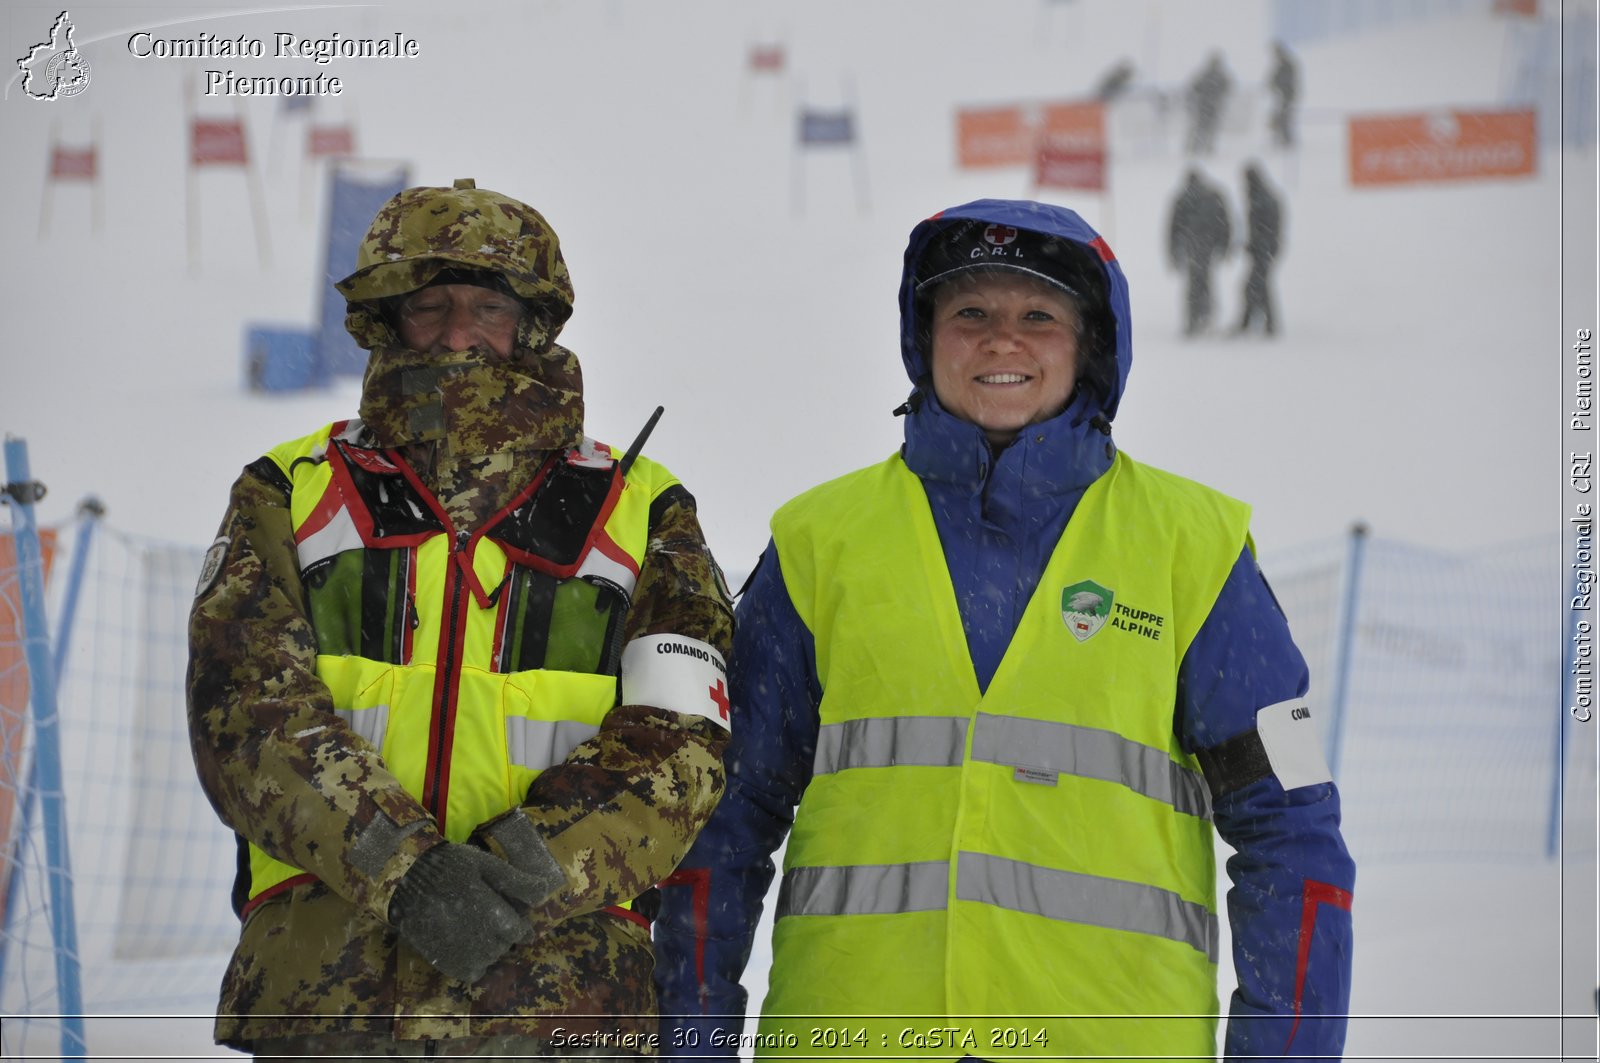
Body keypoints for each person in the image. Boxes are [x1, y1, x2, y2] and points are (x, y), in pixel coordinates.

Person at [653, 199, 1355, 1061]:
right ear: (926, 337)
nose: (1001, 341)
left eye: (1039, 316)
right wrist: (692, 1042)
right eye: (970, 313)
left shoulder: (1194, 549)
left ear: (1090, 343)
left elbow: (1293, 829)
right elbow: (720, 822)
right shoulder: (818, 543)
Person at [187, 178, 735, 1059]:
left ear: (533, 324)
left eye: (486, 305)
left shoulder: (645, 507)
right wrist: (402, 870)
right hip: (327, 1004)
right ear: (384, 322)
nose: (456, 333)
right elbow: (244, 718)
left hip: (560, 1004)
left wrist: (525, 873)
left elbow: (682, 745)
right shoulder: (288, 489)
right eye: (429, 305)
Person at [1168, 167, 1233, 337]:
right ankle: (1206, 316)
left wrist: (1174, 252)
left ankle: (1194, 318)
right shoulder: (1214, 196)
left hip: (1192, 246)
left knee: (1194, 283)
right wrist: (1224, 246)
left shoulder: (1183, 198)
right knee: (1205, 281)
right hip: (1208, 247)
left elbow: (1173, 228)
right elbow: (1225, 223)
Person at [1235, 162, 1286, 336]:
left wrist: (1257, 244)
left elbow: (1265, 228)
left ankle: (1263, 323)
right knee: (1255, 286)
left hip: (1263, 249)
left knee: (1257, 286)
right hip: (1264, 248)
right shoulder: (1262, 196)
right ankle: (1253, 322)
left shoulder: (1262, 198)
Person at [1185, 51, 1232, 155]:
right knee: (1205, 129)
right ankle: (1202, 148)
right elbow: (1227, 88)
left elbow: (1195, 88)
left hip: (1206, 106)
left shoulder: (1207, 75)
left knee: (1202, 128)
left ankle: (1199, 148)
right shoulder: (1216, 76)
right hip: (1208, 107)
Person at [1268, 41, 1300, 149]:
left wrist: (1277, 84)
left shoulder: (1286, 64)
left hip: (1287, 95)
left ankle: (1287, 140)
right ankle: (1283, 138)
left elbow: (1285, 79)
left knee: (1284, 117)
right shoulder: (1282, 64)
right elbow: (1275, 78)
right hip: (1283, 95)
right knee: (1281, 117)